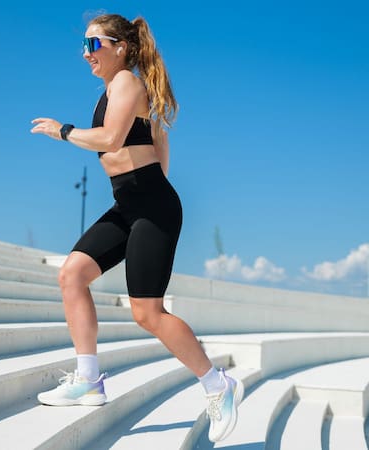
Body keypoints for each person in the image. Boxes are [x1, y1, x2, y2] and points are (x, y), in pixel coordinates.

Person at [30, 13, 242, 443]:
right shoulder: (114, 90)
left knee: (147, 313)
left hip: (151, 206)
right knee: (73, 274)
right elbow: (159, 147)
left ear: (120, 47)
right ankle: (89, 379)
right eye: (84, 46)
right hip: (130, 204)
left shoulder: (128, 81)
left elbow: (110, 139)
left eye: (94, 44)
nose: (86, 53)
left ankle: (218, 384)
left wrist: (63, 130)